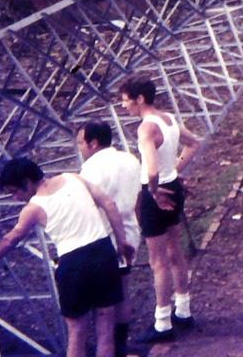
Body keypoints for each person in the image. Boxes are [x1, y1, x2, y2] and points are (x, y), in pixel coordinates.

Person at [0, 157, 132, 357]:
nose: (15, 198)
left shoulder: (33, 208)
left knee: (76, 332)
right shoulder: (74, 178)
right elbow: (108, 203)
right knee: (105, 327)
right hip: (103, 253)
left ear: (27, 182)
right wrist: (121, 241)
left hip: (74, 264)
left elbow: (11, 239)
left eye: (15, 191)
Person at [118, 74, 202, 343]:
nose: (123, 107)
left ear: (139, 99)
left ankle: (162, 323)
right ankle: (183, 310)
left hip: (156, 194)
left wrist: (153, 192)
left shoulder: (146, 129)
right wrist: (174, 173)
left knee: (158, 261)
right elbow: (194, 143)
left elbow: (151, 170)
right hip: (173, 188)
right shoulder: (168, 119)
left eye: (125, 101)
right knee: (175, 250)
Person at [78, 122, 142, 357]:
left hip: (103, 237)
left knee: (103, 301)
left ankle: (106, 348)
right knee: (124, 289)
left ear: (93, 142)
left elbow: (89, 205)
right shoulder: (131, 160)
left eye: (81, 143)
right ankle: (121, 346)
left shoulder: (91, 169)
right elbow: (138, 197)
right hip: (130, 231)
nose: (80, 148)